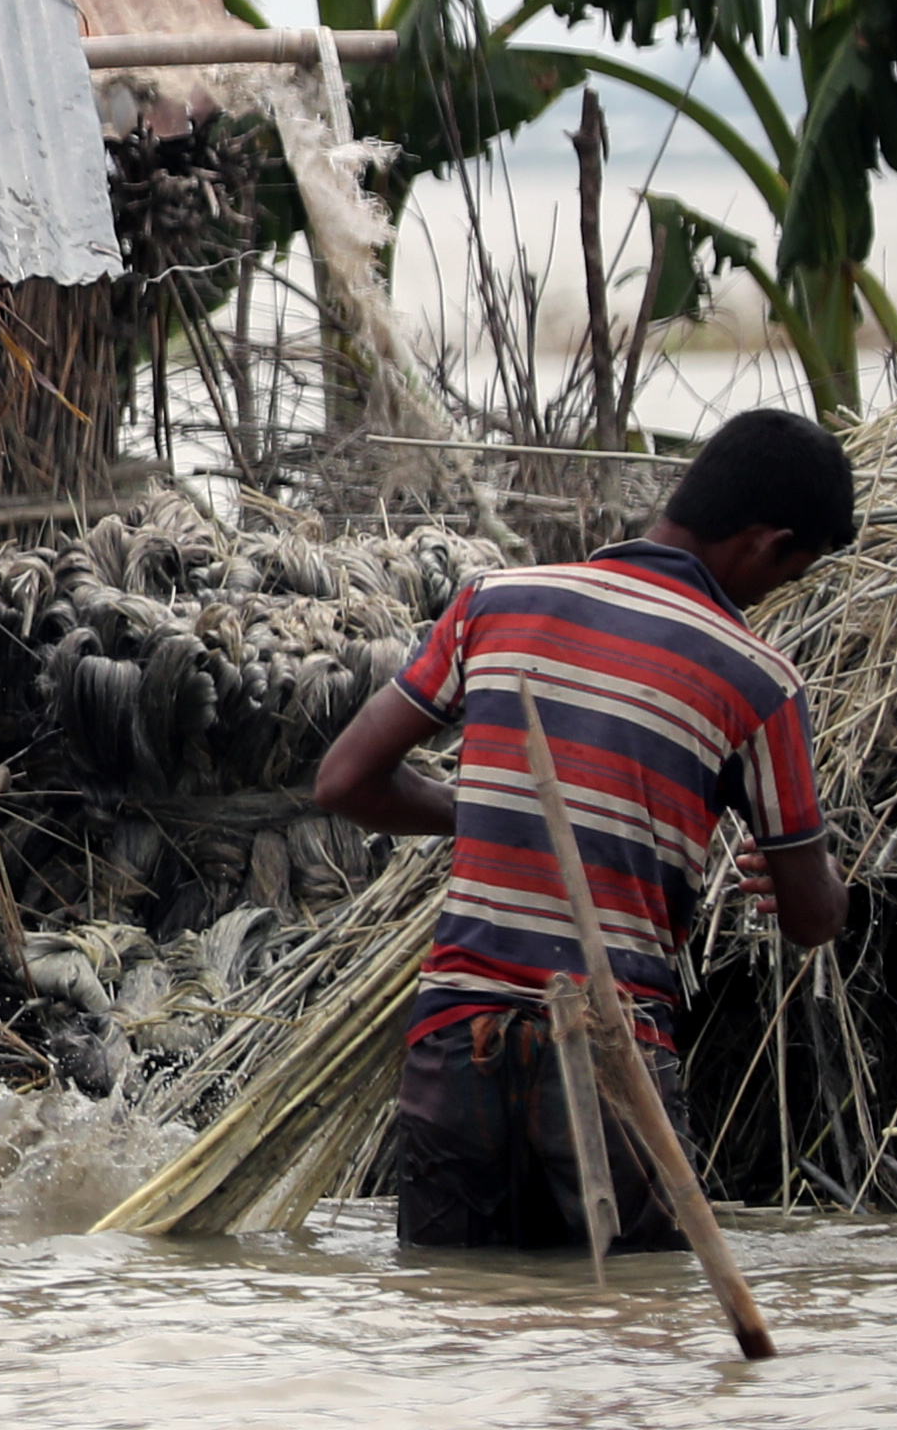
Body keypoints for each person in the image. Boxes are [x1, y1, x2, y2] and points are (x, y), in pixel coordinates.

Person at [308, 408, 855, 1254]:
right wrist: (822, 886)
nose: (775, 593)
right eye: (792, 571)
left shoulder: (495, 603)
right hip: (612, 1050)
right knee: (636, 1341)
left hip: (455, 1043)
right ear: (764, 543)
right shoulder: (759, 680)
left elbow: (344, 782)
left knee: (452, 1331)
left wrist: (488, 809)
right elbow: (812, 919)